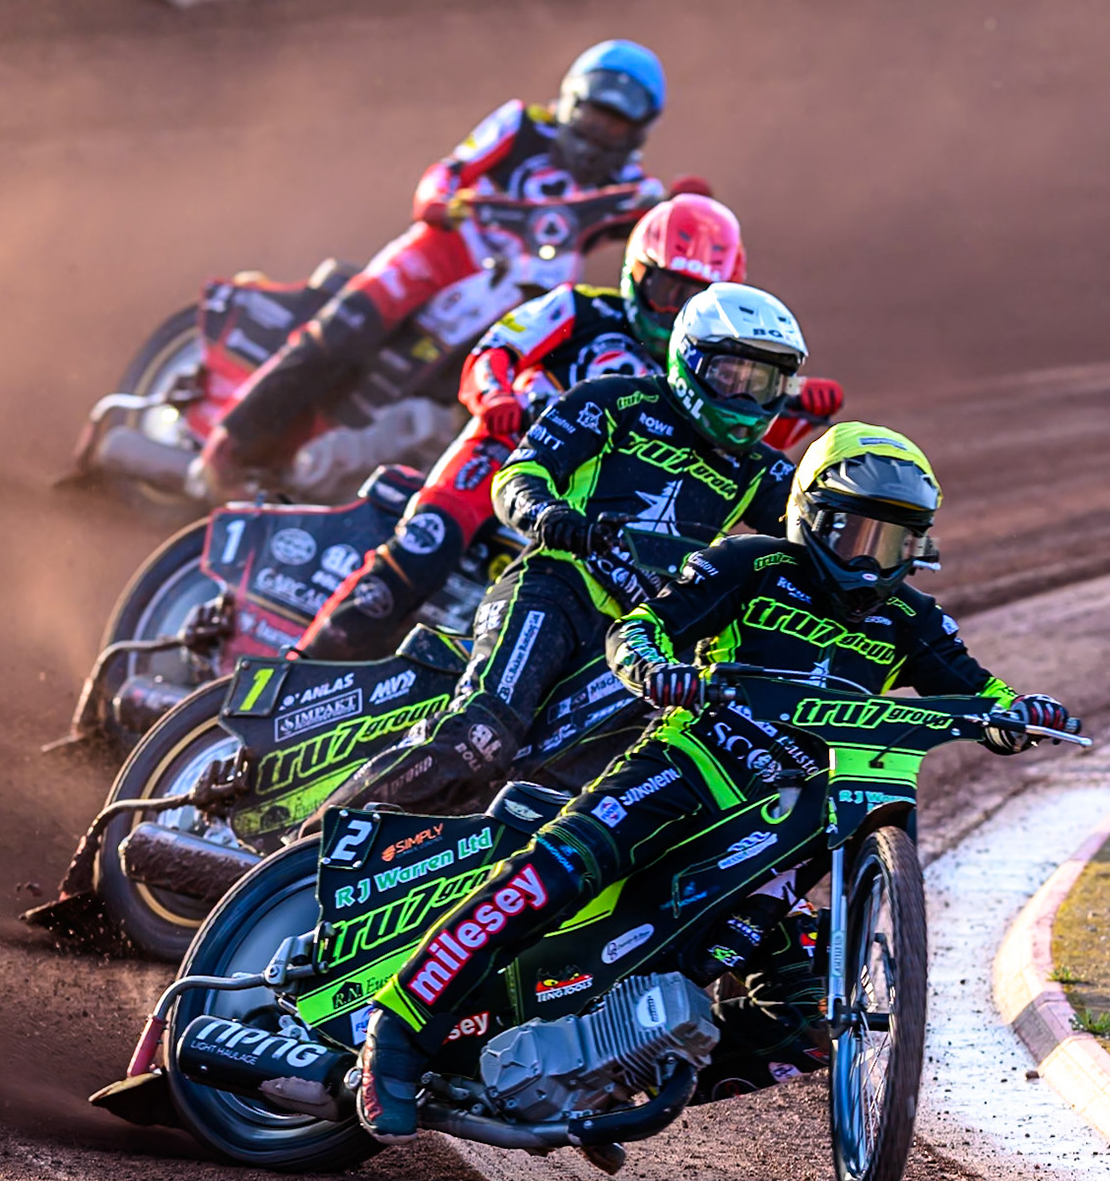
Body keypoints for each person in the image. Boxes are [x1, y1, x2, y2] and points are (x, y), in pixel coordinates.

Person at [353, 421, 1080, 1138]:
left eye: (891, 540)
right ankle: (398, 1023)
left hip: (781, 834)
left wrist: (1017, 714)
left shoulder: (912, 620)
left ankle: (613, 1075)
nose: (870, 558)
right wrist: (653, 667)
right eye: (854, 532)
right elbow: (642, 628)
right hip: (682, 769)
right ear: (810, 516)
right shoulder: (753, 564)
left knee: (801, 1025)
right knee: (549, 876)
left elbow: (984, 694)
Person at [309, 282, 809, 842]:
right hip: (556, 589)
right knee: (482, 736)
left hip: (639, 639)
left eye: (764, 382)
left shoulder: (764, 471)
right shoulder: (613, 400)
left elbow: (815, 547)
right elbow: (517, 476)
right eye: (731, 376)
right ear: (690, 359)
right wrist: (547, 514)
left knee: (568, 789)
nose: (745, 397)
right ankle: (304, 851)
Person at [293, 194, 846, 661]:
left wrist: (794, 420)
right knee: (424, 548)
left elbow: (720, 456)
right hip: (510, 455)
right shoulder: (578, 310)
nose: (673, 308)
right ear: (634, 272)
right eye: (664, 289)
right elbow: (496, 349)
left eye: (694, 296)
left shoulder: (706, 370)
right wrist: (497, 398)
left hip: (603, 501)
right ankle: (298, 671)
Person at [198, 40, 673, 497]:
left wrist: (678, 206)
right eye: (594, 114)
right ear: (572, 100)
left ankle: (324, 472)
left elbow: (656, 232)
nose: (598, 132)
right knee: (344, 332)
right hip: (443, 249)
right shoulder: (522, 125)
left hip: (506, 295)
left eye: (614, 125)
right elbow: (449, 170)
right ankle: (226, 444)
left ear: (637, 130)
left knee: (452, 389)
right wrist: (438, 202)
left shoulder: (632, 189)